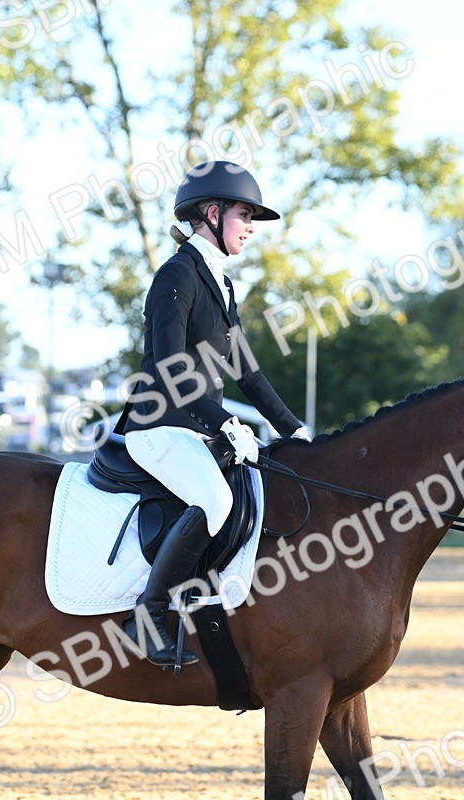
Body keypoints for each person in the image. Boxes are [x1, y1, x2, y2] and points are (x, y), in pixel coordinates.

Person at [114, 160, 310, 667]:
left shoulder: (221, 285)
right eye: (245, 215)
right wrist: (224, 422)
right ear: (212, 211)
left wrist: (295, 429)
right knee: (215, 500)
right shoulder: (177, 275)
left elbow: (247, 372)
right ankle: (151, 611)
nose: (250, 228)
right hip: (156, 427)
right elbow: (168, 368)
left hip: (195, 431)